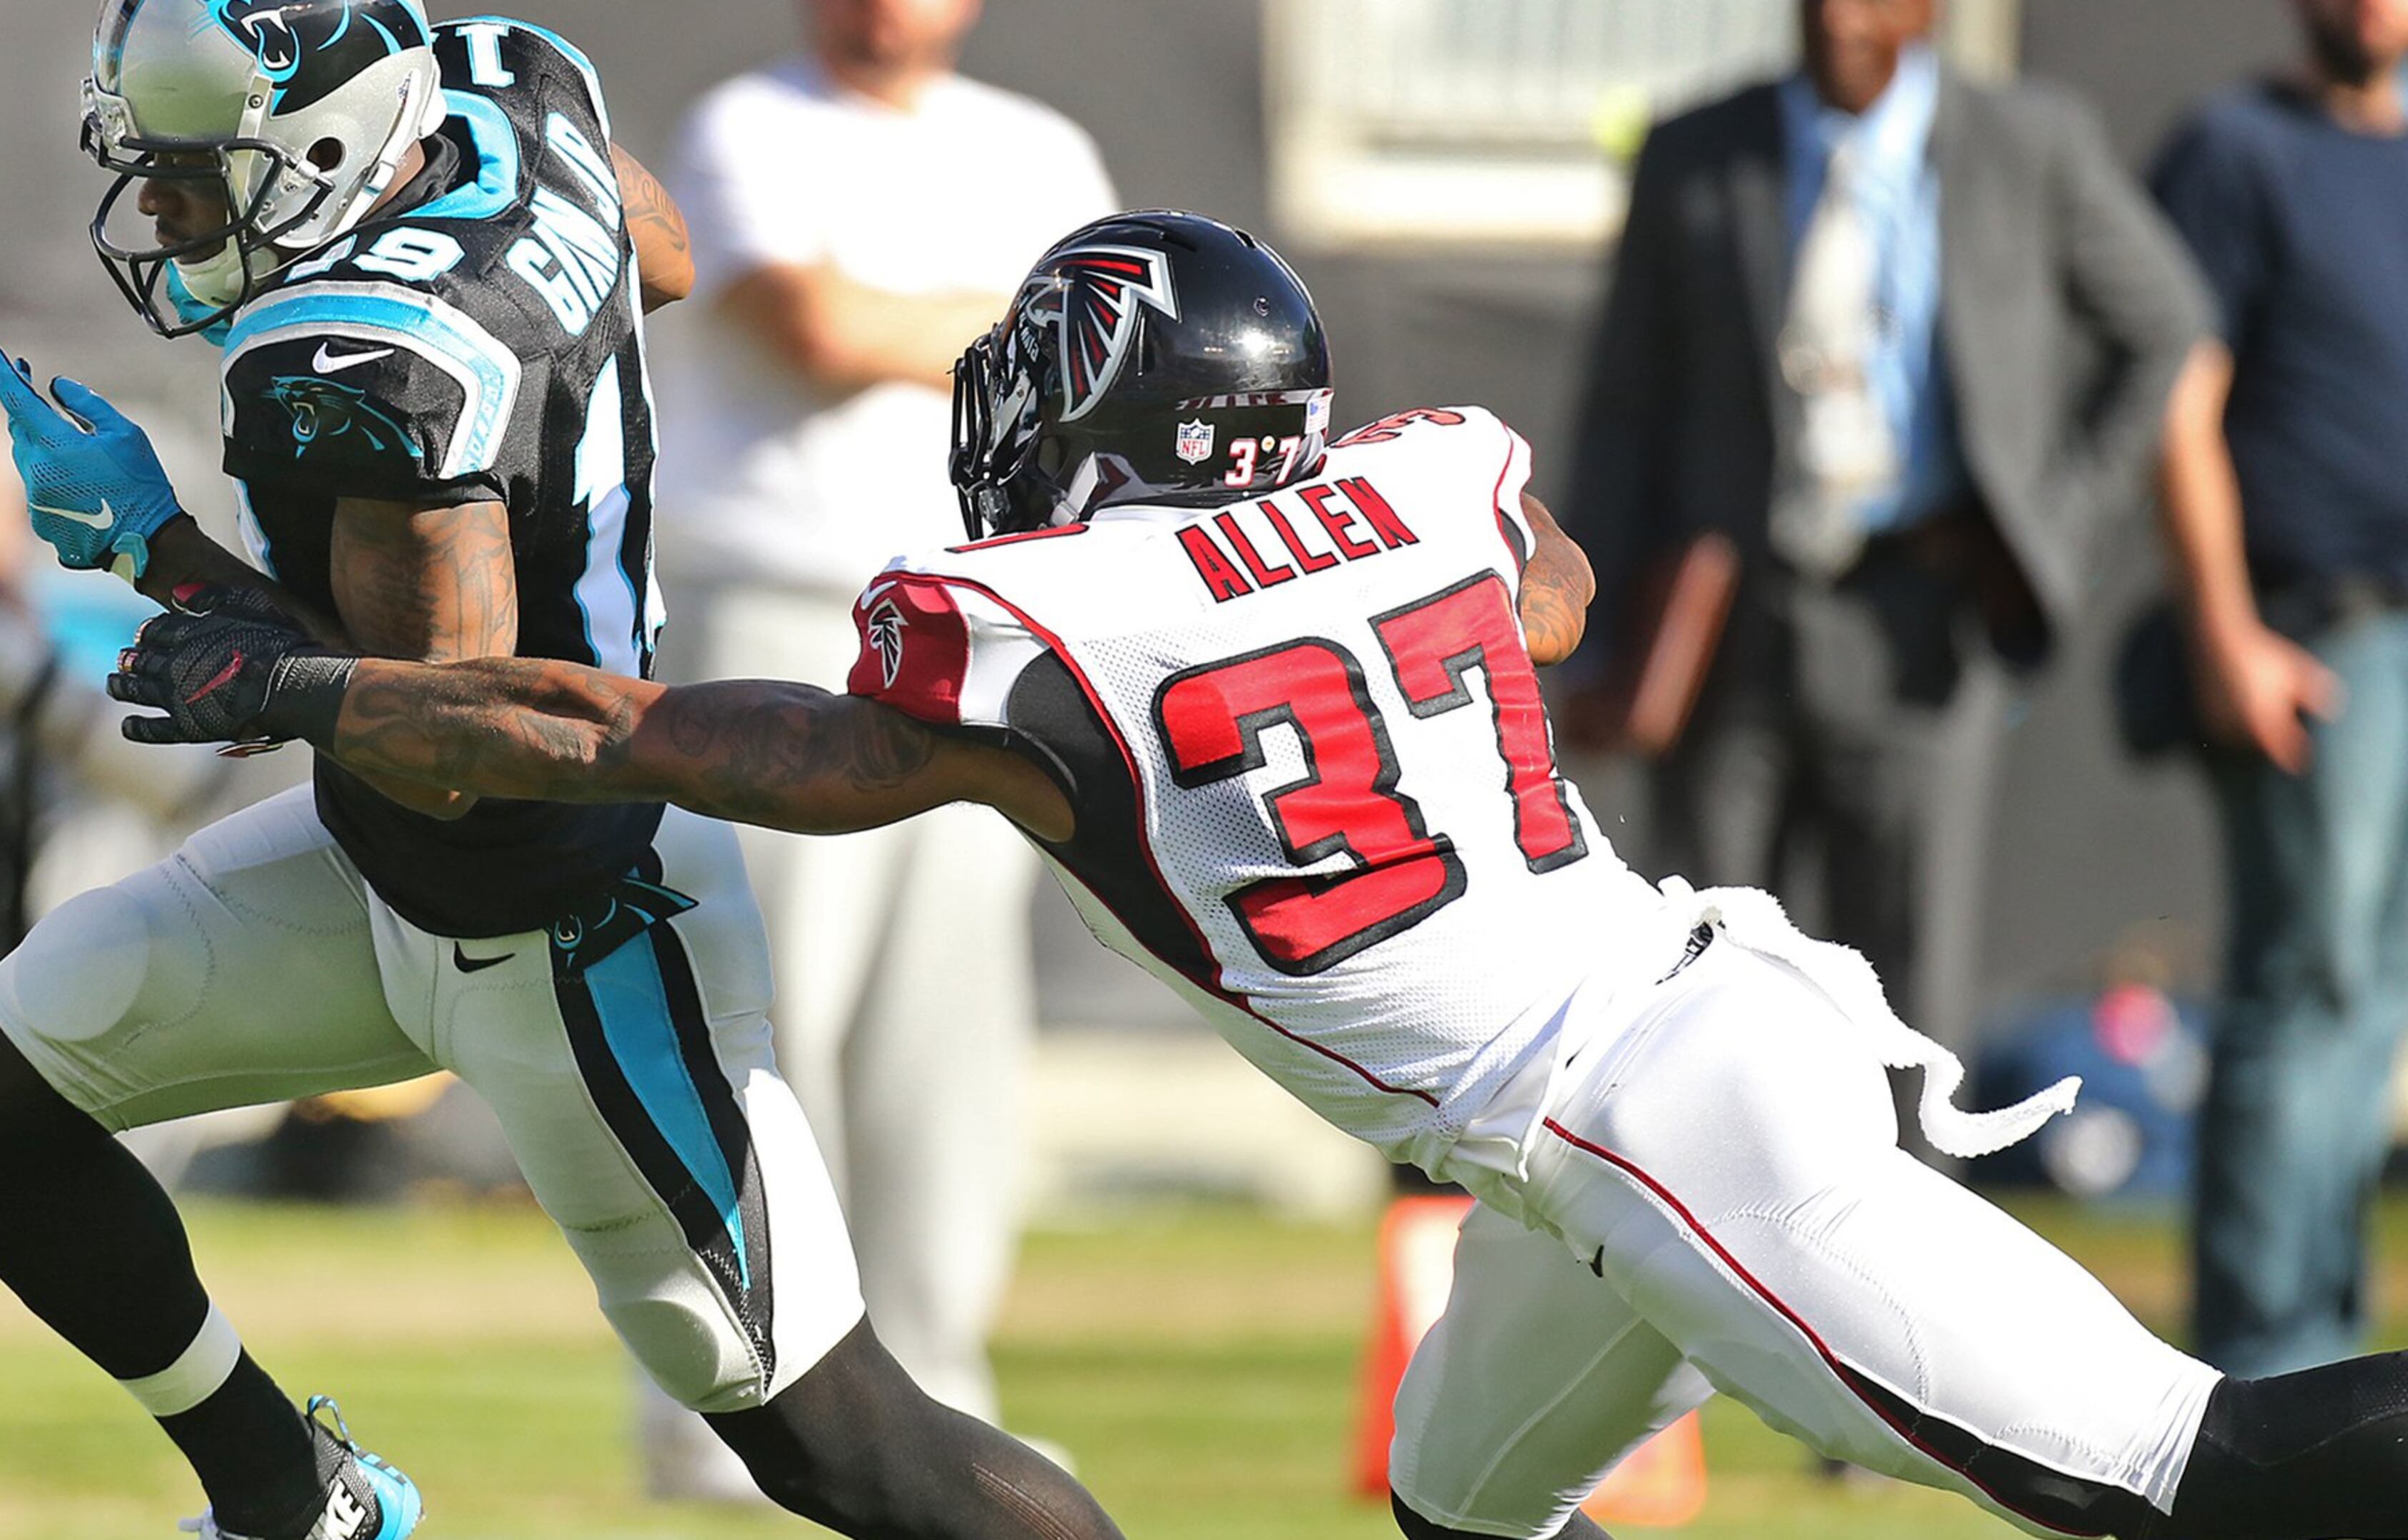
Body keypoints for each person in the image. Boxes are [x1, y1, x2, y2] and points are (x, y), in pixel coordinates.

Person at [119, 208, 2408, 1540]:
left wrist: (293, 684)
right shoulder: (1428, 481)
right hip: (1643, 1065)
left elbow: (593, 732)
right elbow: (1560, 599)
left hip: (1648, 1114)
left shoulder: (1024, 642)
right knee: (1454, 1502)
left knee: (2186, 1477)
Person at [0, 6, 1127, 1540]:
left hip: (567, 923)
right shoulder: (509, 86)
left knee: (845, 1444)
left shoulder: (357, 358)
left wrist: (161, 553)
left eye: (198, 174)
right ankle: (290, 1495)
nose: (166, 212)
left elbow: (447, 740)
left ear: (318, 147)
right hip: (379, 875)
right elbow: (651, 262)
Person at [1565, 0, 2208, 1086]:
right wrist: (1590, 635)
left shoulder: (2023, 144)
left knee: (1909, 976)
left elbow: (2166, 325)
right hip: (1736, 612)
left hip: (1921, 611)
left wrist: (2054, 513)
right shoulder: (1700, 154)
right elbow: (1625, 405)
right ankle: (1710, 1237)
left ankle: (1902, 1237)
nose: (1840, 18)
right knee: (1711, 960)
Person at [644, 0, 1115, 1476]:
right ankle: (728, 1410)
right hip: (785, 623)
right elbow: (819, 327)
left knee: (947, 1042)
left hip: (988, 641)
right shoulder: (746, 127)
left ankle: (937, 1390)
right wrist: (1013, 330)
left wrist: (921, 323)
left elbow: (1114, 373)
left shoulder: (1043, 146)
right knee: (757, 1016)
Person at [2150, 0, 2408, 1377]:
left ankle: (2331, 1347)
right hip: (2321, 636)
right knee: (2307, 983)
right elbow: (2178, 403)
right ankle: (2262, 1367)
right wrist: (2227, 631)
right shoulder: (2237, 151)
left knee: (2373, 1002)